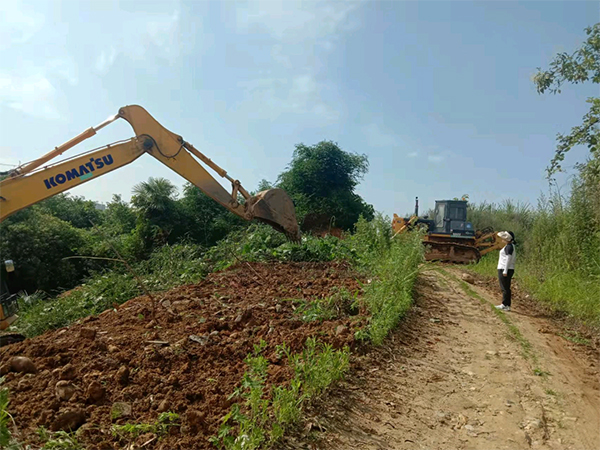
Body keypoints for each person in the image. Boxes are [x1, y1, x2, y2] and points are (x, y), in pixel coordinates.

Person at [495, 231, 516, 311]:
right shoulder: (509, 246)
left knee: (505, 288)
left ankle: (505, 304)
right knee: (505, 287)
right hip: (506, 268)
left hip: (505, 269)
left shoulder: (509, 246)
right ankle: (506, 304)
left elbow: (508, 258)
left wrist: (505, 271)